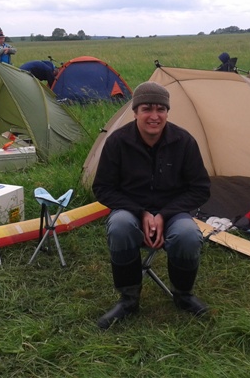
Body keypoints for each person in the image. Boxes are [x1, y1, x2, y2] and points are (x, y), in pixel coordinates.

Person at [92, 81, 211, 330]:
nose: (154, 116)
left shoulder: (184, 141)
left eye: (160, 109)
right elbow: (103, 188)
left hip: (173, 212)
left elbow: (200, 188)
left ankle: (183, 295)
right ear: (135, 112)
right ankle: (128, 299)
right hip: (131, 210)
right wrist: (141, 212)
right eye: (147, 109)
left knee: (188, 234)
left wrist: (164, 215)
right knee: (120, 225)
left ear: (167, 112)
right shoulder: (117, 142)